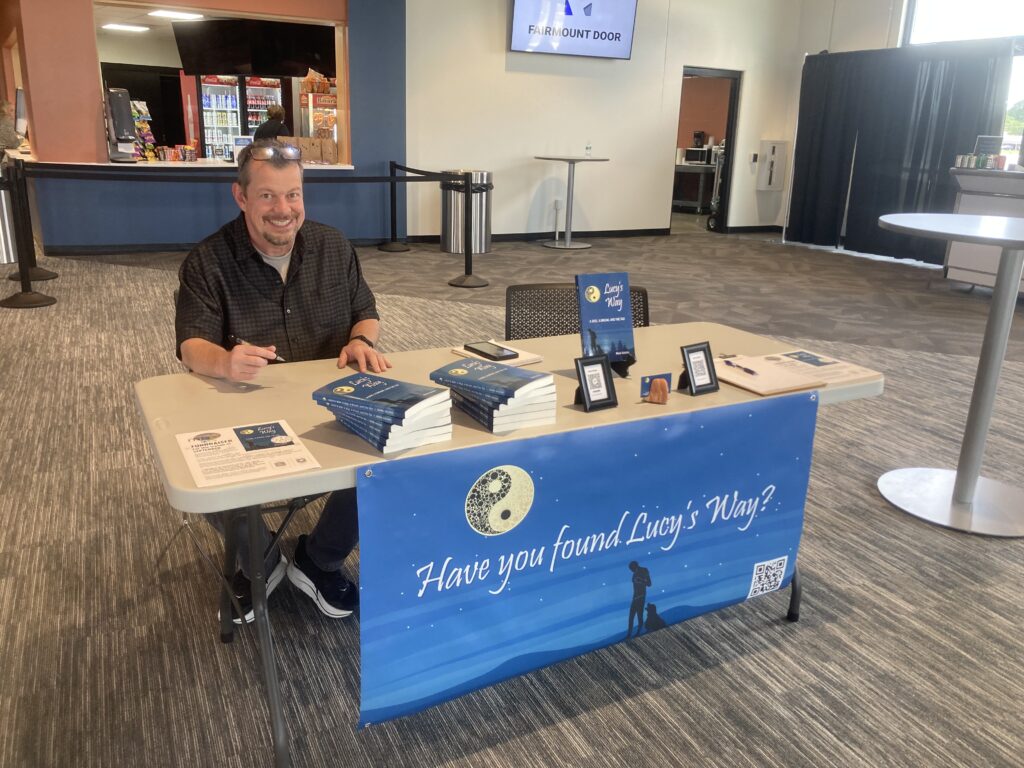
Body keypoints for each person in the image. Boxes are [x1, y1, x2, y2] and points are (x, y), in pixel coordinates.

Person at [175, 139, 391, 624]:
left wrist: (361, 339)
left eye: (293, 195)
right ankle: (264, 560)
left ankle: (319, 559)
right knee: (199, 471)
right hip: (247, 407)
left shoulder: (333, 245)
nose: (283, 209)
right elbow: (191, 345)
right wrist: (225, 362)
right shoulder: (208, 261)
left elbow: (366, 310)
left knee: (393, 446)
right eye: (267, 196)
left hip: (332, 401)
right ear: (241, 197)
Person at [626, 560, 651, 637]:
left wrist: (641, 580)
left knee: (639, 615)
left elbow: (649, 583)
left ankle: (639, 632)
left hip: (641, 597)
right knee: (631, 616)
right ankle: (629, 634)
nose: (631, 571)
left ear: (635, 567)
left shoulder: (644, 570)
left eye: (632, 569)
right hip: (635, 598)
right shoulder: (634, 574)